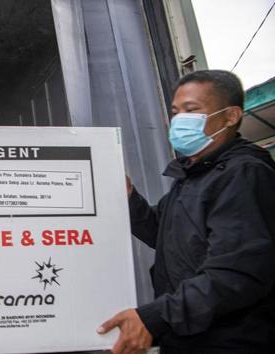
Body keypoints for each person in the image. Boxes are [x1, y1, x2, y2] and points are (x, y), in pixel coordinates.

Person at [98, 70, 275, 353]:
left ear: (231, 116)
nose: (179, 120)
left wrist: (155, 317)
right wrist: (129, 198)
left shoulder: (243, 174)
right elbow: (166, 235)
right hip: (187, 339)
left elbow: (236, 274)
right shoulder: (194, 175)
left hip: (228, 342)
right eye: (176, 111)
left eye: (191, 110)